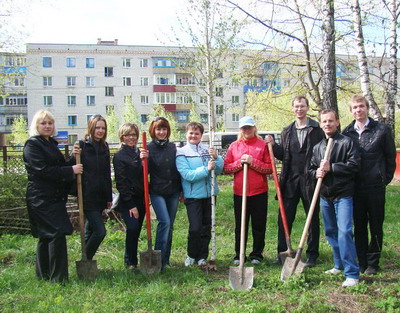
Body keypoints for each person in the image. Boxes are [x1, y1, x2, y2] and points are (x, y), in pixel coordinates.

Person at [23, 110, 83, 283]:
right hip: (41, 198)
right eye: (43, 123)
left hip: (53, 197)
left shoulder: (49, 143)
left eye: (50, 123)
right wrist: (71, 170)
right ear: (36, 125)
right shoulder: (32, 145)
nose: (47, 126)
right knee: (56, 233)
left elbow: (59, 167)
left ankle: (44, 275)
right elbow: (42, 171)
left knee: (46, 235)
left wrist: (73, 157)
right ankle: (59, 279)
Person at [265, 96, 324, 267]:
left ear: (307, 108)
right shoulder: (287, 131)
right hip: (290, 181)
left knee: (311, 218)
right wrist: (273, 146)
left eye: (302, 106)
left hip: (310, 180)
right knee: (284, 218)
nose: (299, 109)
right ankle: (282, 253)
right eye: (296, 106)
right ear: (293, 109)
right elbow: (284, 155)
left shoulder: (316, 129)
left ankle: (312, 254)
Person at [342, 94, 396, 275]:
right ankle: (362, 260)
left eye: (361, 106)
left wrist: (384, 179)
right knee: (359, 225)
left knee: (375, 224)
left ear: (367, 108)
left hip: (375, 187)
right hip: (355, 187)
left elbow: (390, 157)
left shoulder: (381, 130)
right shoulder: (347, 133)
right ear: (351, 111)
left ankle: (374, 262)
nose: (358, 110)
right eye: (355, 107)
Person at [309, 109, 360, 288]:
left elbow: (354, 166)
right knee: (331, 232)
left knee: (345, 231)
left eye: (331, 121)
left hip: (343, 194)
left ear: (337, 122)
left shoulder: (347, 142)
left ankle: (352, 273)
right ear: (320, 124)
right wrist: (316, 172)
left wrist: (333, 167)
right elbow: (310, 169)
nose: (327, 124)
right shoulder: (318, 147)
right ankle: (338, 265)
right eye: (324, 121)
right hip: (325, 196)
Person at [224, 116, 272, 265]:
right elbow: (226, 168)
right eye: (244, 128)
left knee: (259, 224)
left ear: (254, 128)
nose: (247, 130)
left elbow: (269, 168)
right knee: (240, 225)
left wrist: (253, 162)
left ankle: (257, 254)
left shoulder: (262, 145)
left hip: (259, 191)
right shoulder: (234, 146)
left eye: (249, 127)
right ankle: (240, 254)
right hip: (240, 192)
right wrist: (240, 163)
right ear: (240, 129)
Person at [176, 122, 223, 267]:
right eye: (191, 133)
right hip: (193, 196)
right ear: (186, 134)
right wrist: (206, 169)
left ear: (201, 135)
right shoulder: (181, 152)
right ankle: (191, 255)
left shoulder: (207, 150)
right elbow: (187, 174)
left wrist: (217, 158)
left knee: (207, 227)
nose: (193, 136)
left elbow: (220, 169)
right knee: (195, 228)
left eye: (197, 133)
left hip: (210, 194)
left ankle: (202, 256)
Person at [144, 117, 181, 269]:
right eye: (158, 129)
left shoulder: (173, 147)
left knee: (170, 225)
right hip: (157, 191)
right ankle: (157, 259)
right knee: (164, 222)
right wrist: (142, 160)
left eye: (164, 129)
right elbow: (143, 172)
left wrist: (181, 191)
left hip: (173, 191)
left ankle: (165, 260)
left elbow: (178, 170)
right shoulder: (148, 149)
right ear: (153, 131)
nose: (161, 132)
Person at [75, 114, 112, 262]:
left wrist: (109, 197)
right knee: (100, 231)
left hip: (100, 196)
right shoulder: (82, 145)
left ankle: (84, 262)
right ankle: (86, 259)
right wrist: (73, 155)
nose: (100, 131)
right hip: (87, 195)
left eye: (103, 128)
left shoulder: (104, 146)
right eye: (97, 127)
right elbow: (72, 166)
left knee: (90, 230)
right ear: (91, 128)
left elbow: (106, 174)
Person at [113, 123, 145, 269]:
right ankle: (131, 261)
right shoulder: (119, 156)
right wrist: (131, 205)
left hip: (141, 197)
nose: (131, 138)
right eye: (128, 135)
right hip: (128, 199)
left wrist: (145, 160)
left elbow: (145, 174)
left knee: (137, 229)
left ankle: (130, 259)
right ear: (122, 137)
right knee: (132, 228)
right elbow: (121, 182)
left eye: (133, 135)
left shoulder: (140, 153)